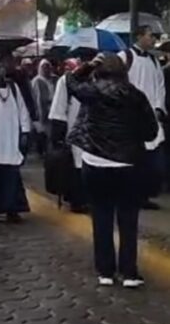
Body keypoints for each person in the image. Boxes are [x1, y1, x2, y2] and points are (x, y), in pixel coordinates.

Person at [68, 54, 158, 287]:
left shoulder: (92, 92)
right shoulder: (136, 96)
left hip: (95, 163)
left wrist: (87, 65)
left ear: (100, 71)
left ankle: (105, 271)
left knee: (101, 217)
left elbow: (71, 81)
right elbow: (150, 132)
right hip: (128, 165)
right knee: (128, 219)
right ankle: (129, 272)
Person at [119, 26, 166, 209]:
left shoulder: (154, 61)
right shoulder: (125, 57)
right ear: (139, 36)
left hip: (153, 118)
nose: (154, 39)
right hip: (132, 119)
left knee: (151, 162)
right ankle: (133, 196)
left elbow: (159, 87)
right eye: (150, 36)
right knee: (134, 161)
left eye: (155, 37)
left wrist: (159, 108)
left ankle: (145, 195)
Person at [0, 56, 31, 222]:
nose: (0, 70)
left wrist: (25, 131)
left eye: (2, 67)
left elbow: (22, 110)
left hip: (10, 139)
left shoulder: (13, 87)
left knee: (11, 174)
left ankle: (12, 208)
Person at [48, 58, 87, 212]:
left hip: (93, 133)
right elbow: (58, 108)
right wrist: (57, 136)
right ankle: (77, 200)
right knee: (76, 166)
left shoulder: (99, 79)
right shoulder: (66, 81)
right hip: (74, 130)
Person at [31, 59, 55, 156]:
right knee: (43, 133)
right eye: (44, 67)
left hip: (54, 109)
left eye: (48, 67)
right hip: (43, 110)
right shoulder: (36, 81)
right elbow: (36, 97)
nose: (46, 69)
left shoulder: (55, 79)